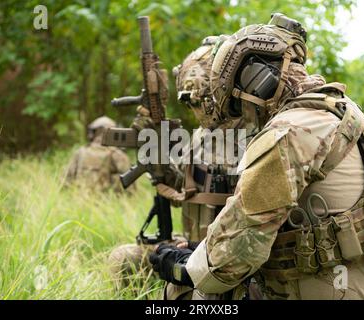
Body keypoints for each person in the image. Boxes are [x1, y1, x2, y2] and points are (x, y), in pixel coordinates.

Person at [149, 13, 364, 300]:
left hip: (319, 291)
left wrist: (182, 267)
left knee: (184, 292)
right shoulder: (346, 113)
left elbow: (230, 259)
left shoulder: (287, 133)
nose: (244, 115)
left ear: (254, 80)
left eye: (237, 102)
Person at [108, 36, 258, 299]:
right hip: (187, 247)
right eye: (188, 101)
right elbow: (185, 188)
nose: (195, 109)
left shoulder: (256, 137)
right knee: (125, 259)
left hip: (229, 261)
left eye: (198, 100)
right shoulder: (202, 136)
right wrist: (158, 160)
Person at [65, 116, 131, 194]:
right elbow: (130, 187)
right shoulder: (117, 155)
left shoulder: (80, 152)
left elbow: (66, 181)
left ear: (93, 133)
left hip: (80, 200)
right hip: (108, 203)